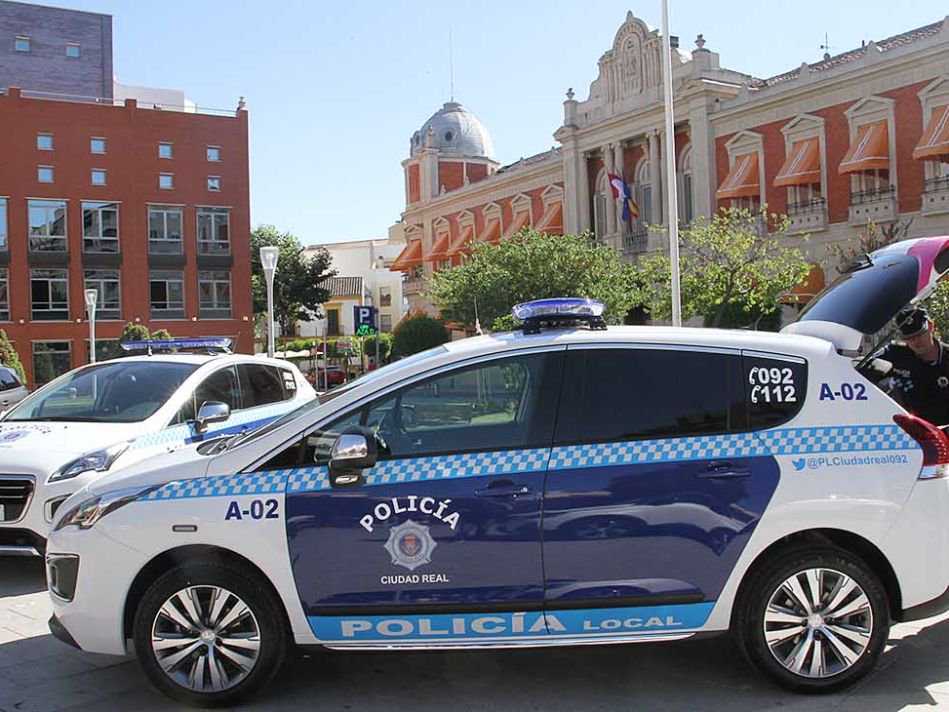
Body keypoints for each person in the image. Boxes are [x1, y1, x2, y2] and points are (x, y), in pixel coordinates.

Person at [872, 306, 949, 426]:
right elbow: (862, 367)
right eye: (909, 338)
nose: (915, 342)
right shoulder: (894, 354)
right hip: (907, 434)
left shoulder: (946, 357)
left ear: (930, 326)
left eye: (919, 334)